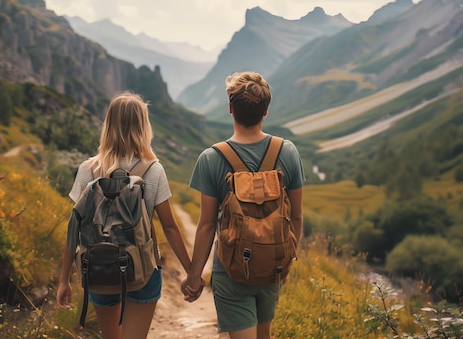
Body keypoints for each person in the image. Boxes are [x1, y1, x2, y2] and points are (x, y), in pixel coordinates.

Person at [56, 92, 194, 339]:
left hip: (99, 267)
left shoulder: (88, 169)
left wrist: (64, 279)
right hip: (143, 270)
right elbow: (170, 228)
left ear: (108, 124)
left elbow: (73, 229)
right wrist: (191, 273)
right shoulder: (153, 170)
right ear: (144, 126)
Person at [181, 71, 305, 339]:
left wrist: (194, 276)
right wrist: (286, 262)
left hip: (231, 270)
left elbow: (205, 226)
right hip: (272, 265)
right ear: (265, 111)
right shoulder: (288, 151)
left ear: (230, 108)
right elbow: (296, 217)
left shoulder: (211, 159)